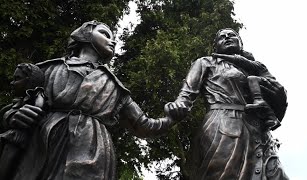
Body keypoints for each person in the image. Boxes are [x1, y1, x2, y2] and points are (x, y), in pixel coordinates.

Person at [0, 20, 185, 180]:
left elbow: (143, 125)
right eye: (105, 33)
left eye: (113, 37)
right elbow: (14, 108)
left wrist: (171, 118)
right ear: (84, 34)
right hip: (41, 145)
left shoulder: (115, 87)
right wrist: (13, 116)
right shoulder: (49, 69)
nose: (113, 41)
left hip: (92, 150)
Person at [165, 28, 289, 179]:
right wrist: (179, 105)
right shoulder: (206, 63)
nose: (227, 37)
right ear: (215, 46)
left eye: (232, 35)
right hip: (222, 127)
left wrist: (280, 97)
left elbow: (276, 99)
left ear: (241, 43)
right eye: (221, 37)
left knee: (276, 174)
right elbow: (187, 93)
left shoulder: (253, 67)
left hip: (260, 133)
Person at [211, 52, 281, 130]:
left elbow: (241, 60)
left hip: (269, 83)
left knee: (251, 79)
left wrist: (219, 55)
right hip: (262, 86)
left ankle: (258, 100)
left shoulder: (258, 65)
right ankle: (272, 118)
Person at [0, 63, 46, 179]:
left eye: (17, 79)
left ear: (30, 80)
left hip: (17, 139)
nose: (12, 83)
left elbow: (37, 110)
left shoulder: (36, 97)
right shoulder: (15, 104)